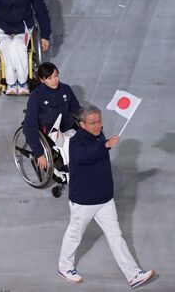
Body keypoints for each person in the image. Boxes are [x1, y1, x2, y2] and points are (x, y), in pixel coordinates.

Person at [57, 105, 155, 288]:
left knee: (116, 236)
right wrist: (105, 145)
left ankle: (133, 275)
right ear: (82, 124)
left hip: (104, 199)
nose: (98, 126)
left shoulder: (99, 135)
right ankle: (64, 267)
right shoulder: (77, 142)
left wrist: (104, 144)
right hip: (84, 201)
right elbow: (84, 157)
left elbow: (97, 153)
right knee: (75, 234)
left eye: (100, 121)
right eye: (93, 123)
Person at [23, 62, 80, 173]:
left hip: (67, 127)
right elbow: (29, 126)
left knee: (82, 143)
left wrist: (87, 119)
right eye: (49, 78)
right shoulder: (36, 96)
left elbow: (76, 109)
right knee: (68, 148)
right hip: (49, 132)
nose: (55, 80)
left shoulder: (66, 89)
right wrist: (39, 153)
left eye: (56, 76)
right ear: (42, 80)